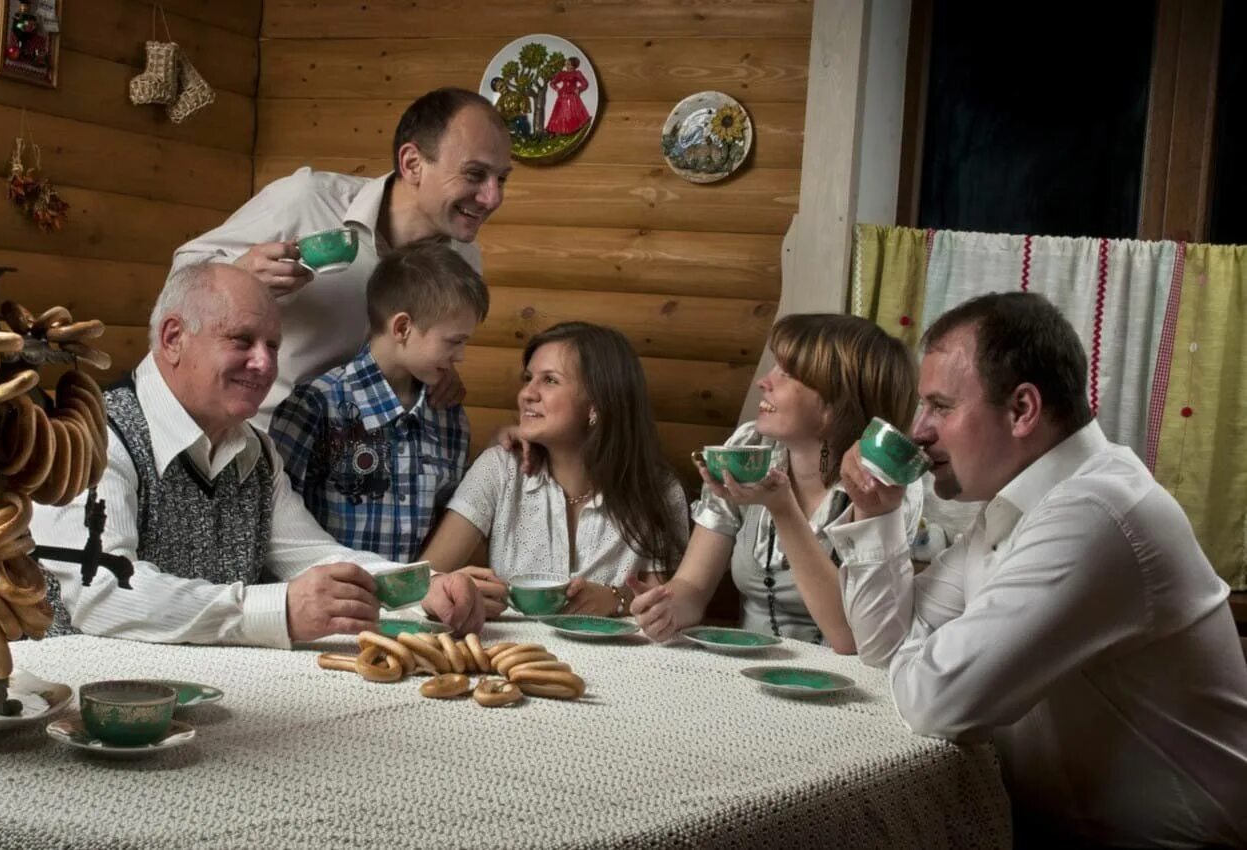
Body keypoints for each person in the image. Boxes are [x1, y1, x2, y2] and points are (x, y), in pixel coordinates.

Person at [830, 292, 1247, 847]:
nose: (918, 430)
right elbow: (883, 651)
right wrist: (879, 516)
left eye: (940, 407)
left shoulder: (1096, 514)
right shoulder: (1014, 509)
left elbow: (937, 702)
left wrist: (935, 655)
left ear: (1022, 409)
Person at [31, 262, 484, 647]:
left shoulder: (255, 448)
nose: (265, 365)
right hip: (78, 712)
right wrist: (276, 609)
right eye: (242, 340)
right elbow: (104, 591)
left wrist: (420, 587)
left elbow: (310, 555)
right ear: (173, 338)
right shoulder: (92, 436)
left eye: (272, 346)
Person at [172, 87, 512, 427]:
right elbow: (181, 275)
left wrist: (437, 372)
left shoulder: (465, 261)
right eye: (474, 174)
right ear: (412, 164)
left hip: (354, 463)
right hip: (252, 438)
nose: (493, 197)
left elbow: (405, 349)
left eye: (501, 178)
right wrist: (238, 275)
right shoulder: (306, 200)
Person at [631, 314, 923, 651]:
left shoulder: (885, 487)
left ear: (835, 402)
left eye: (786, 372)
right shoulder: (748, 449)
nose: (764, 382)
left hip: (846, 684)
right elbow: (693, 587)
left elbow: (851, 638)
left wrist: (782, 508)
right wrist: (666, 607)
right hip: (748, 669)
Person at [420, 322, 689, 617]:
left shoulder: (659, 490)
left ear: (596, 404)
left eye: (549, 380)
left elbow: (660, 604)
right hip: (510, 657)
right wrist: (455, 589)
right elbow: (427, 577)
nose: (527, 394)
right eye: (528, 378)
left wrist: (615, 599)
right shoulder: (499, 468)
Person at [270, 239, 488, 563]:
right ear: (402, 327)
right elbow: (276, 527)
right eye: (453, 341)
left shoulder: (449, 417)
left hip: (415, 608)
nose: (461, 356)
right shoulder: (315, 406)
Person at [544, 57, 591, 136]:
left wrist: (579, 89)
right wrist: (558, 89)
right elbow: (552, 83)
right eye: (567, 63)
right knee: (560, 113)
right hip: (562, 96)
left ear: (573, 65)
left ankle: (573, 129)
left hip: (572, 96)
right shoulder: (562, 73)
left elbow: (585, 83)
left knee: (573, 112)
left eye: (569, 64)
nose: (567, 65)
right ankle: (558, 130)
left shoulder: (577, 73)